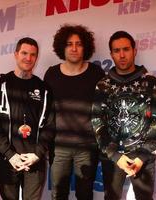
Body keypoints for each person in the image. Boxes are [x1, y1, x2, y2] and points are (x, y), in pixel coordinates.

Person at [91, 30, 156, 200]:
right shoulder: (103, 84)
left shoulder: (151, 83)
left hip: (142, 158)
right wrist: (115, 155)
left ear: (134, 51)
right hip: (113, 156)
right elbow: (97, 121)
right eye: (116, 51)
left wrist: (142, 157)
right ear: (111, 54)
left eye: (126, 49)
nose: (122, 55)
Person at [0, 37, 55, 200]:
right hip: (8, 159)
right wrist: (10, 154)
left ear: (36, 58)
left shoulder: (44, 89)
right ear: (16, 54)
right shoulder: (0, 85)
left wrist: (37, 154)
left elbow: (50, 125)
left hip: (34, 160)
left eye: (33, 54)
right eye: (24, 53)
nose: (28, 58)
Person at [44, 24, 105, 200]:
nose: (74, 48)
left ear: (85, 47)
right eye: (69, 44)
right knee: (58, 194)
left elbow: (102, 110)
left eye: (78, 43)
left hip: (87, 146)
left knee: (85, 194)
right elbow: (46, 111)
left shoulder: (96, 73)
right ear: (62, 47)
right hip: (58, 145)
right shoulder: (52, 74)